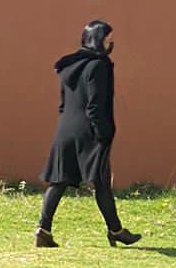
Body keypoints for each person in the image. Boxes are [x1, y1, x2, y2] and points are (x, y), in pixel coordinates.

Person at [35, 20, 140, 249]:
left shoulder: (68, 67)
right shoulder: (100, 66)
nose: (110, 43)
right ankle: (116, 231)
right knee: (101, 181)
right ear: (97, 40)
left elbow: (63, 104)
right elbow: (95, 105)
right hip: (89, 131)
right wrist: (104, 133)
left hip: (65, 129)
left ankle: (43, 229)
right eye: (107, 38)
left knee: (59, 180)